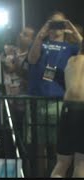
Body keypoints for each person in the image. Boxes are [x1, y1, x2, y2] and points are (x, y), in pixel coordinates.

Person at [27, 11, 82, 176]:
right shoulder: (40, 44)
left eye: (60, 24)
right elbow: (32, 59)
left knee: (58, 148)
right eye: (53, 23)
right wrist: (41, 34)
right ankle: (41, 174)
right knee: (39, 144)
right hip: (38, 100)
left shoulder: (72, 48)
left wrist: (72, 30)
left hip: (59, 102)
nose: (56, 27)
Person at [51, 40, 84, 178]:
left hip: (68, 108)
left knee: (62, 162)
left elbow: (48, 72)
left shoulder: (71, 60)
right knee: (81, 163)